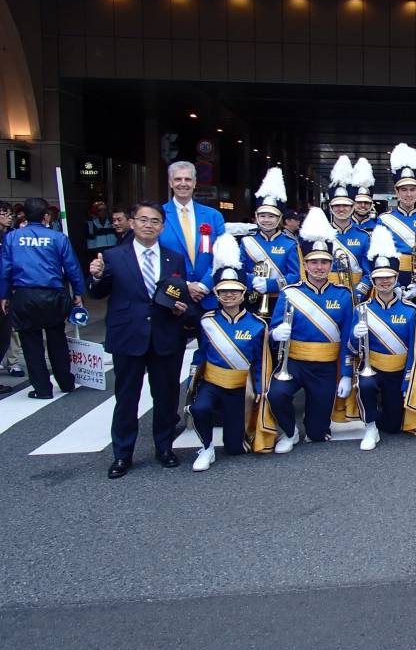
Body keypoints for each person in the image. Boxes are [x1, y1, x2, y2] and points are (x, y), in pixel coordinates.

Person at [87, 201, 192, 478]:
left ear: (162, 226)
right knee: (126, 397)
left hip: (165, 333)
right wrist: (96, 277)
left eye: (155, 221)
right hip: (127, 333)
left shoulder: (174, 258)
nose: (149, 225)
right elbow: (98, 294)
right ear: (131, 222)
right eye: (143, 220)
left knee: (166, 395)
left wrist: (181, 308)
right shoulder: (113, 256)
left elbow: (177, 294)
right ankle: (123, 454)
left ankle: (165, 447)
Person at [266, 208, 355, 451]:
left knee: (316, 433)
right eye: (314, 262)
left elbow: (347, 337)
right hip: (294, 363)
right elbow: (274, 328)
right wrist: (275, 334)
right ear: (305, 264)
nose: (319, 267)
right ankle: (290, 431)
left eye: (324, 262)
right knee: (276, 394)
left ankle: (312, 425)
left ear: (331, 265)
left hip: (325, 368)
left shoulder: (343, 295)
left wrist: (346, 373)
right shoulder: (290, 293)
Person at [189, 235, 272, 471]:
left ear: (243, 293)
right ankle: (205, 448)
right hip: (213, 382)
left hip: (239, 387)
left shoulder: (258, 325)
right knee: (200, 409)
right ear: (216, 294)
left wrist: (259, 387)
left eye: (234, 291)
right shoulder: (207, 321)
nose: (229, 296)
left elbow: (260, 362)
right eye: (223, 292)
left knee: (235, 448)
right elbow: (201, 354)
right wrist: (193, 381)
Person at [349, 225, 416, 451]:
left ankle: (383, 410)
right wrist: (355, 337)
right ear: (372, 280)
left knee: (393, 426)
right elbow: (352, 350)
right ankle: (370, 425)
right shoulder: (362, 309)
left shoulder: (410, 310)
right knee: (366, 384)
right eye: (379, 278)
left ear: (395, 278)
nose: (384, 282)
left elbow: (415, 350)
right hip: (372, 369)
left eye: (389, 277)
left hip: (398, 372)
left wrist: (407, 381)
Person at [0, 197, 85, 399]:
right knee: (57, 339)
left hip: (24, 295)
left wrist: (3, 295)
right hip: (53, 295)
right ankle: (66, 383)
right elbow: (72, 267)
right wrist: (79, 292)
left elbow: (5, 270)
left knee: (31, 343)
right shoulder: (58, 238)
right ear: (46, 216)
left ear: (24, 215)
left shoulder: (12, 237)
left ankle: (42, 389)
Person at [375, 143, 416, 308]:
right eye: (404, 190)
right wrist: (393, 285)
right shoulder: (384, 219)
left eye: (412, 189)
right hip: (392, 278)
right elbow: (379, 254)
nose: (408, 194)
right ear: (396, 192)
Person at [159, 161, 226, 308]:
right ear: (170, 183)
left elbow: (223, 255)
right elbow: (156, 257)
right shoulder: (159, 215)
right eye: (178, 179)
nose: (183, 183)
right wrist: (185, 286)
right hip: (172, 298)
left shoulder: (213, 216)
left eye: (188, 179)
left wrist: (203, 286)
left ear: (195, 183)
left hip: (208, 297)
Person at [241, 167, 301, 316]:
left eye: (271, 216)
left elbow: (295, 276)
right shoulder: (247, 241)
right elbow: (238, 269)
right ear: (256, 217)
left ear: (279, 218)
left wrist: (270, 285)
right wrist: (252, 281)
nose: (266, 220)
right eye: (262, 216)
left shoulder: (290, 243)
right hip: (251, 299)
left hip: (280, 300)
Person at [327, 156, 372, 302]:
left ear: (352, 207)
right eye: (337, 205)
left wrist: (359, 292)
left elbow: (369, 271)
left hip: (357, 294)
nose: (341, 209)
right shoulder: (322, 234)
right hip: (328, 293)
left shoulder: (364, 237)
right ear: (330, 207)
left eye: (346, 205)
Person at [0, 201, 24, 382]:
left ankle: (13, 360)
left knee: (11, 328)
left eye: (10, 215)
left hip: (11, 288)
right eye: (5, 214)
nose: (9, 218)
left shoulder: (13, 235)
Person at [350, 158, 378, 233]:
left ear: (371, 204)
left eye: (366, 202)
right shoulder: (344, 224)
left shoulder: (379, 226)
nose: (363, 205)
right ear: (353, 203)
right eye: (359, 202)